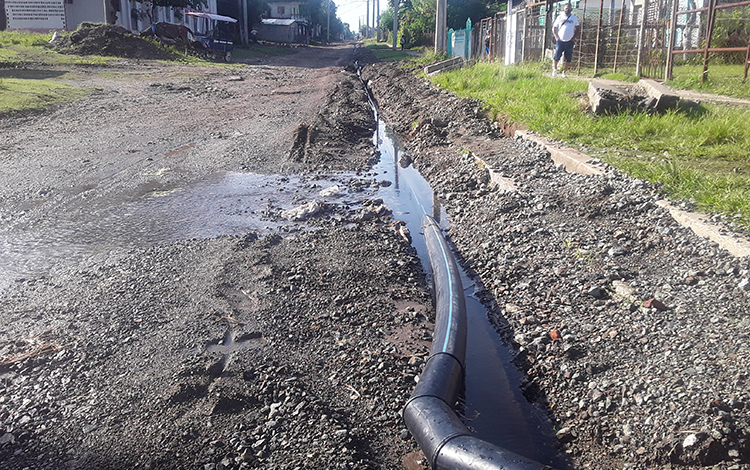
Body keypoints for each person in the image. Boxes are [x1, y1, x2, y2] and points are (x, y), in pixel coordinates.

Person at [552, 2, 579, 77]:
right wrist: (556, 37)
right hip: (560, 40)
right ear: (564, 9)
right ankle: (555, 69)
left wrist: (573, 38)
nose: (568, 9)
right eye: (566, 8)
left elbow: (577, 28)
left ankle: (564, 72)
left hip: (569, 41)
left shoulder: (574, 18)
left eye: (569, 8)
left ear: (571, 9)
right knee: (557, 55)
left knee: (568, 58)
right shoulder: (560, 17)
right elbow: (554, 28)